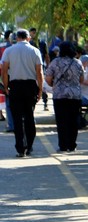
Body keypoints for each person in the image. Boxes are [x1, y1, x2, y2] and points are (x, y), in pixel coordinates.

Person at [1, 29, 43, 157]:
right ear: (28, 38)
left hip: (15, 86)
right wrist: (40, 89)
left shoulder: (9, 51)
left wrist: (6, 87)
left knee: (17, 118)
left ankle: (20, 147)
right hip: (30, 86)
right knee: (29, 116)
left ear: (16, 38)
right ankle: (29, 145)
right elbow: (39, 72)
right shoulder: (35, 51)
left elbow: (4, 70)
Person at [45, 41, 84, 152]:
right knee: (73, 120)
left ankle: (62, 145)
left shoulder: (55, 62)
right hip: (75, 95)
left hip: (59, 95)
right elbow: (81, 79)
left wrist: (55, 85)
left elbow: (48, 78)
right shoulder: (77, 63)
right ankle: (72, 145)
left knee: (61, 120)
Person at [29, 27, 50, 111]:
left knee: (43, 85)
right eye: (32, 33)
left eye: (34, 33)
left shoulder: (42, 43)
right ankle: (32, 104)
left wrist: (48, 66)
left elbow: (46, 55)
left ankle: (45, 102)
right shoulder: (29, 43)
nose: (33, 34)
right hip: (31, 67)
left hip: (40, 66)